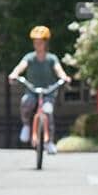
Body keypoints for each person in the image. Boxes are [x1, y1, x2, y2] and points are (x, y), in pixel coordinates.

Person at [8, 25, 71, 154]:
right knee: (27, 102)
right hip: (33, 90)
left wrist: (64, 77)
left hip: (48, 91)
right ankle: (26, 125)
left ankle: (49, 142)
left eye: (40, 43)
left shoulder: (51, 58)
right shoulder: (30, 57)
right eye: (35, 43)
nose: (37, 45)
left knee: (48, 112)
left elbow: (59, 70)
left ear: (45, 43)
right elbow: (21, 66)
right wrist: (14, 74)